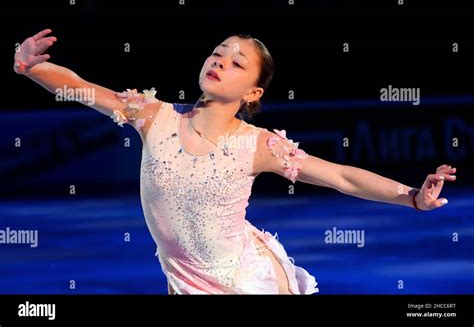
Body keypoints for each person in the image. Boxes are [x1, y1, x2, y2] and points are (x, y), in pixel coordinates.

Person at [13, 29, 457, 294]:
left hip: (248, 283)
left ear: (253, 93)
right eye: (218, 52)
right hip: (186, 281)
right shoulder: (153, 115)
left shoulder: (258, 144)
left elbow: (341, 176)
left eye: (237, 62)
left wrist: (413, 197)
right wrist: (33, 69)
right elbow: (84, 88)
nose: (220, 61)